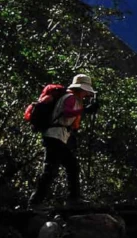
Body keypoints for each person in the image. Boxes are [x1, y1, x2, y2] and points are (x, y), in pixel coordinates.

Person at [29, 74, 99, 208]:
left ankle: (38, 201)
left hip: (56, 136)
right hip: (55, 136)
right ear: (81, 89)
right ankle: (69, 199)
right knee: (63, 168)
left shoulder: (73, 98)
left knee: (57, 168)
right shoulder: (71, 98)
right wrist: (85, 110)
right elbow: (67, 112)